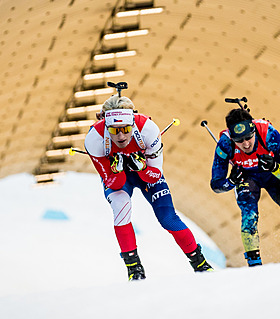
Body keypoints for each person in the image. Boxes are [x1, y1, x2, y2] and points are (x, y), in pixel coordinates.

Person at [85, 93, 213, 280]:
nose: (121, 136)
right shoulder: (94, 138)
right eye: (114, 131)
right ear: (105, 125)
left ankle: (200, 263)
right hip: (120, 178)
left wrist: (142, 168)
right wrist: (119, 171)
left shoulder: (148, 129)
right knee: (121, 207)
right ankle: (134, 269)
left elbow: (155, 175)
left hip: (145, 174)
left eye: (126, 129)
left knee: (167, 218)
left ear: (133, 123)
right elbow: (114, 182)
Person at [210, 107, 280, 266]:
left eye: (249, 137)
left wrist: (275, 168)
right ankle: (255, 264)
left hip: (273, 176)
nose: (245, 144)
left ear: (254, 130)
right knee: (249, 215)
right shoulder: (225, 144)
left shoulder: (268, 134)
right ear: (232, 138)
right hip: (247, 179)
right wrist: (232, 181)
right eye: (239, 140)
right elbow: (216, 185)